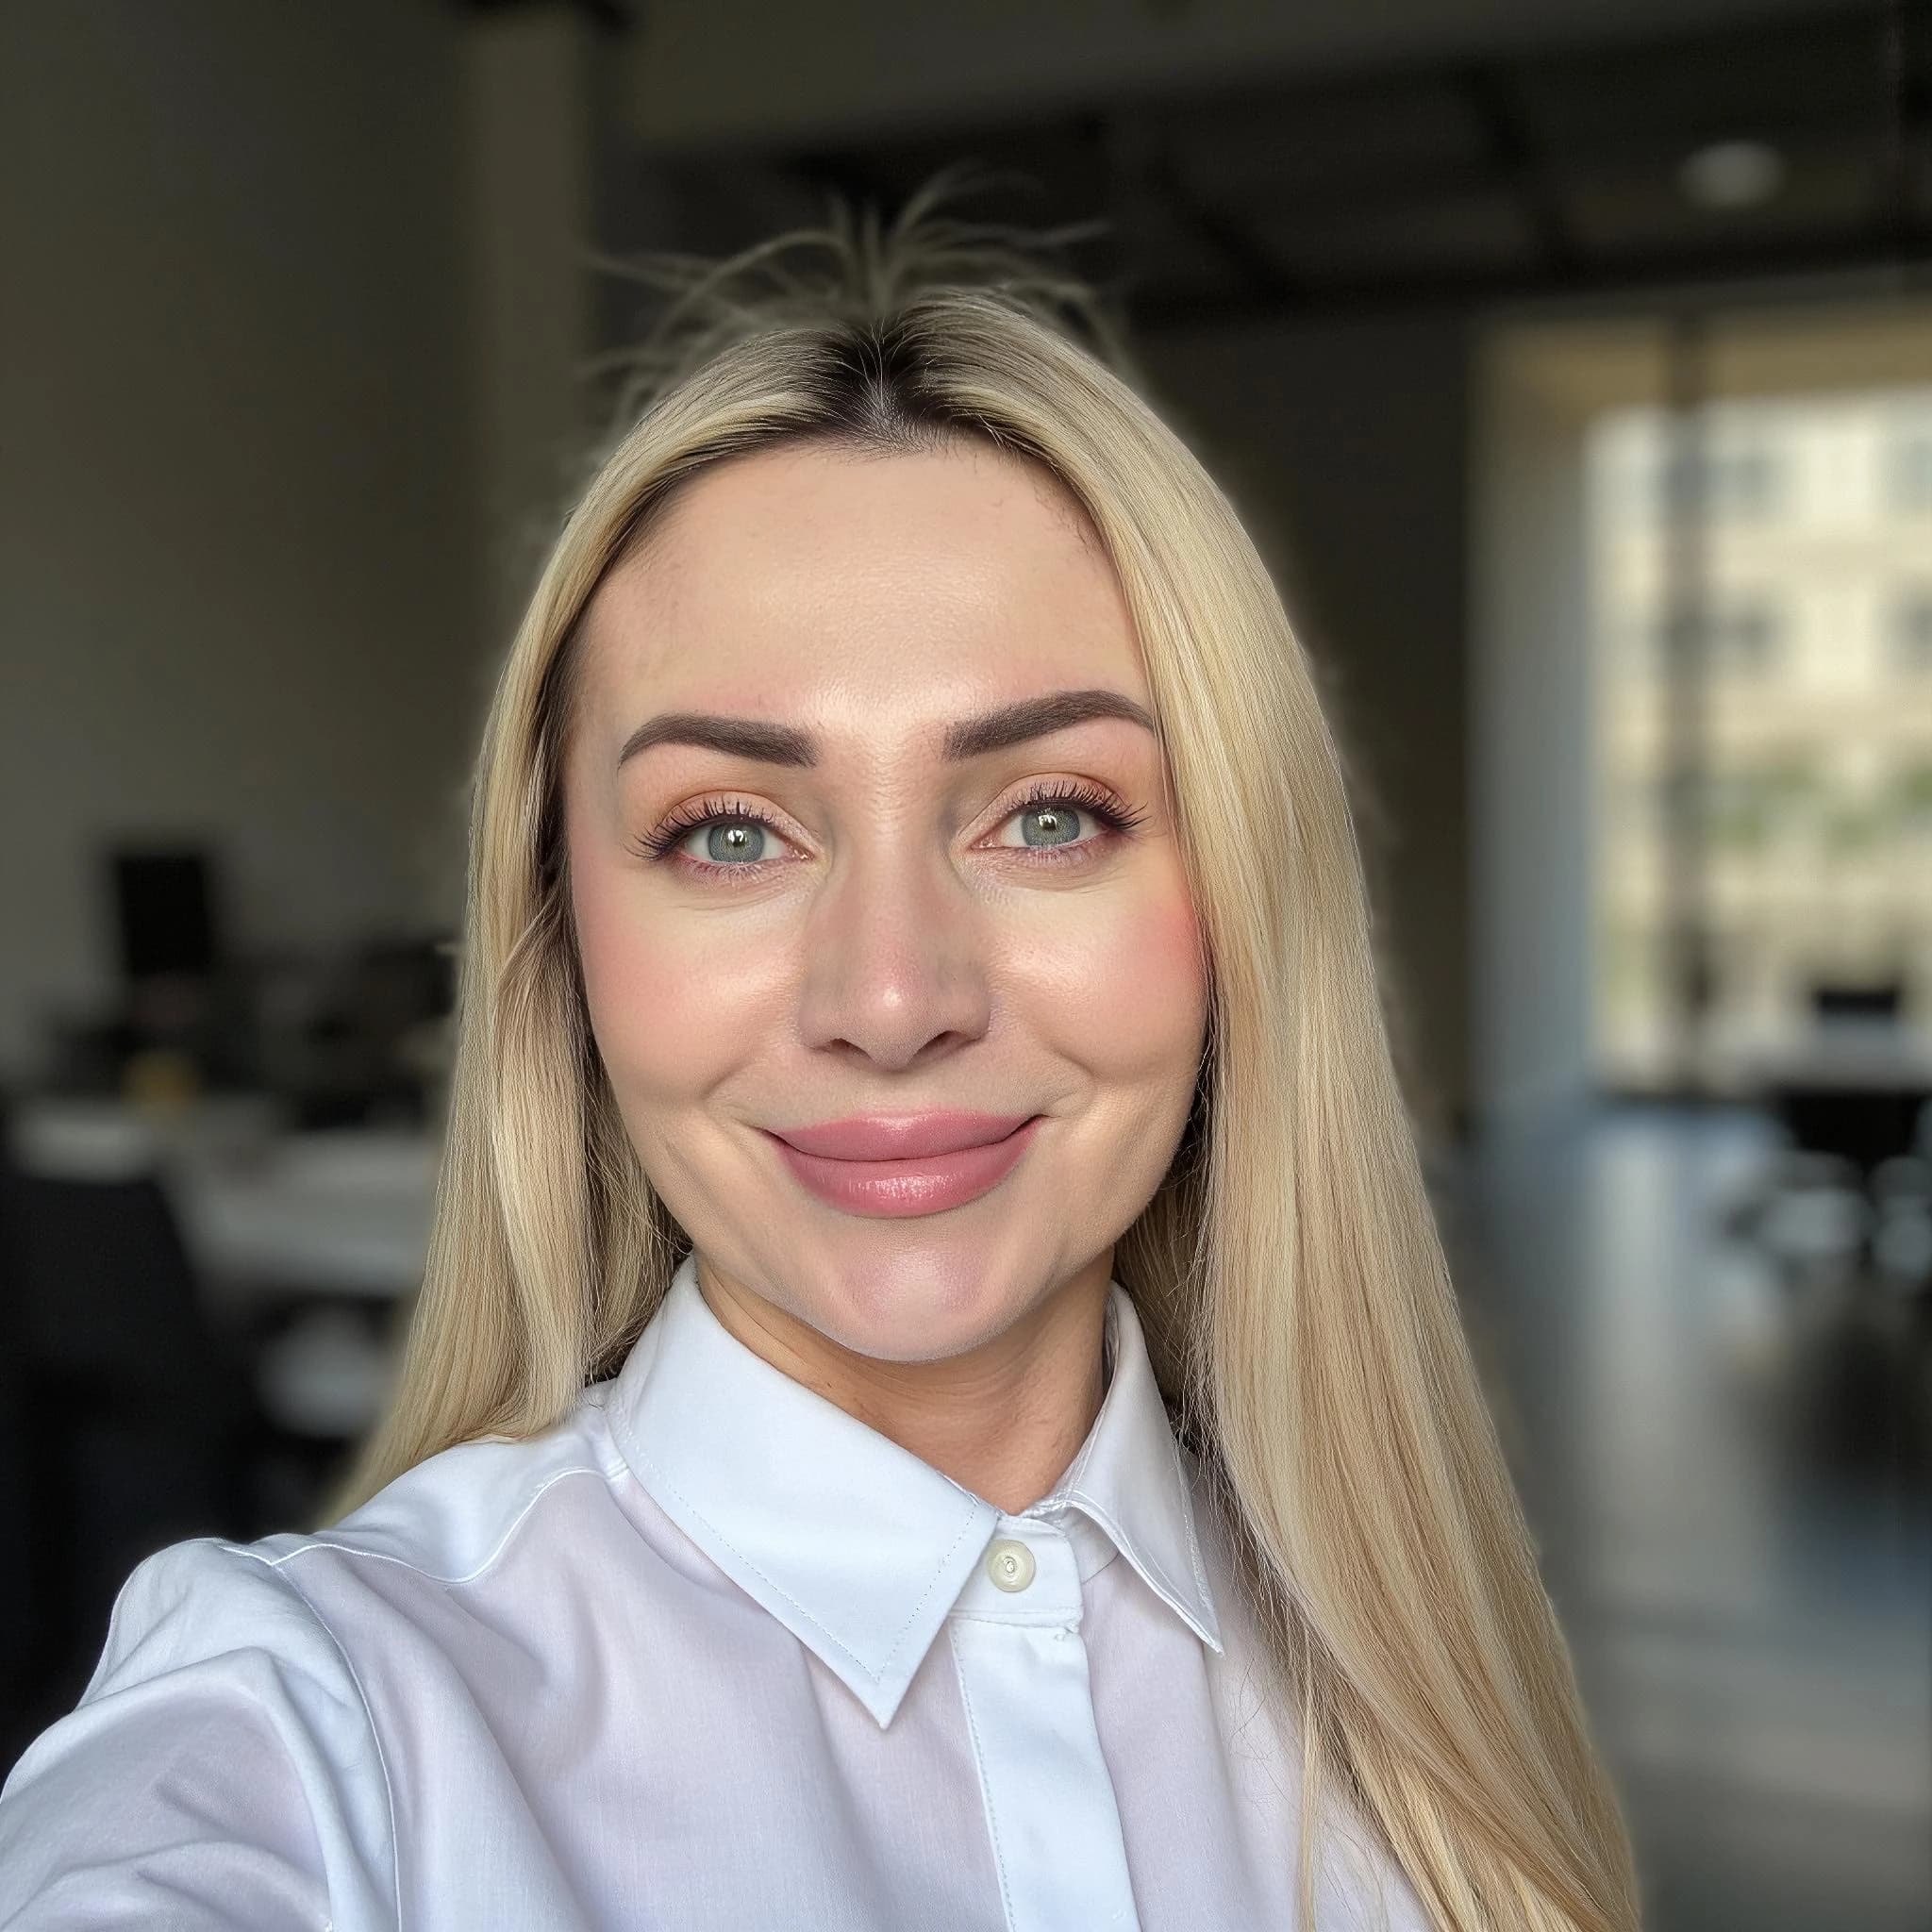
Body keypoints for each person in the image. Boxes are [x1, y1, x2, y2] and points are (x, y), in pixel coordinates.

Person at [0, 184, 1642, 1931]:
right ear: (564, 945)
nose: (887, 994)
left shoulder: (1410, 1693)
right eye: (726, 833)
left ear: (1241, 903)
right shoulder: (319, 1730)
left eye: (1052, 814)